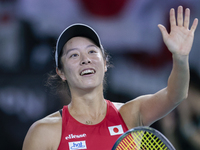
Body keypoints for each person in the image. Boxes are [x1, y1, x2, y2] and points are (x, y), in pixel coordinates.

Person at [22, 6, 198, 150]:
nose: (86, 59)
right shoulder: (43, 132)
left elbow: (175, 95)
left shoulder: (129, 114)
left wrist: (180, 58)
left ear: (105, 63)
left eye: (92, 51)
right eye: (74, 55)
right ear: (61, 72)